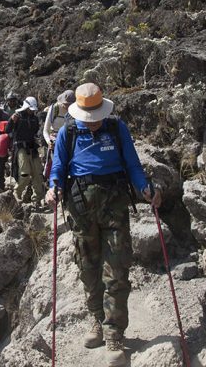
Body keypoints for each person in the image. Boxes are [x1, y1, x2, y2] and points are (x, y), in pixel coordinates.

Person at [45, 83, 162, 367]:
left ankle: (114, 335)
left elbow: (132, 164)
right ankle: (96, 319)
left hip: (115, 206)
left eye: (97, 115)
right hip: (81, 207)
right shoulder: (68, 132)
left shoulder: (116, 129)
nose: (93, 121)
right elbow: (59, 167)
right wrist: (53, 188)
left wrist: (145, 188)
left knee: (117, 268)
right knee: (88, 268)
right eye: (89, 116)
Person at [6, 96, 46, 205]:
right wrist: (11, 121)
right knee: (25, 172)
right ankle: (17, 193)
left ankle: (37, 199)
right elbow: (7, 130)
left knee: (38, 172)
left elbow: (36, 132)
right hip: (20, 147)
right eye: (30, 108)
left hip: (32, 147)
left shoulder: (34, 118)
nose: (32, 111)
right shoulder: (17, 116)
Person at [42, 89, 76, 179]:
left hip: (70, 139)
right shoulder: (54, 109)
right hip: (54, 139)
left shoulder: (76, 110)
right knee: (57, 164)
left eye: (70, 105)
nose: (67, 107)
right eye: (66, 104)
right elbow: (45, 130)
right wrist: (49, 142)